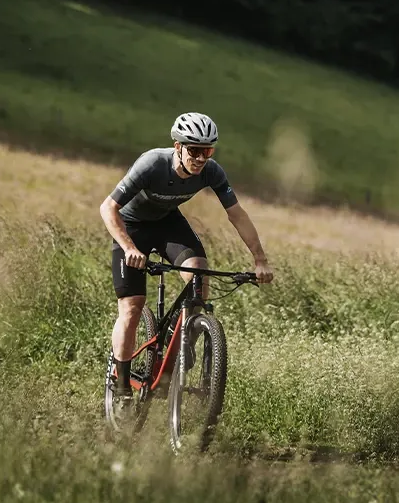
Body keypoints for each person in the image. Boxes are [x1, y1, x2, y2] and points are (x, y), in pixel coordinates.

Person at [99, 112, 274, 396]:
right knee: (131, 307)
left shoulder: (211, 171)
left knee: (198, 277)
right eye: (194, 150)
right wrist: (129, 247)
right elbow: (108, 208)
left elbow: (237, 215)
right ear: (178, 146)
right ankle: (120, 382)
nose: (201, 158)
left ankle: (178, 344)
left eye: (207, 150)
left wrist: (260, 259)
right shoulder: (152, 163)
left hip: (168, 223)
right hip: (131, 227)